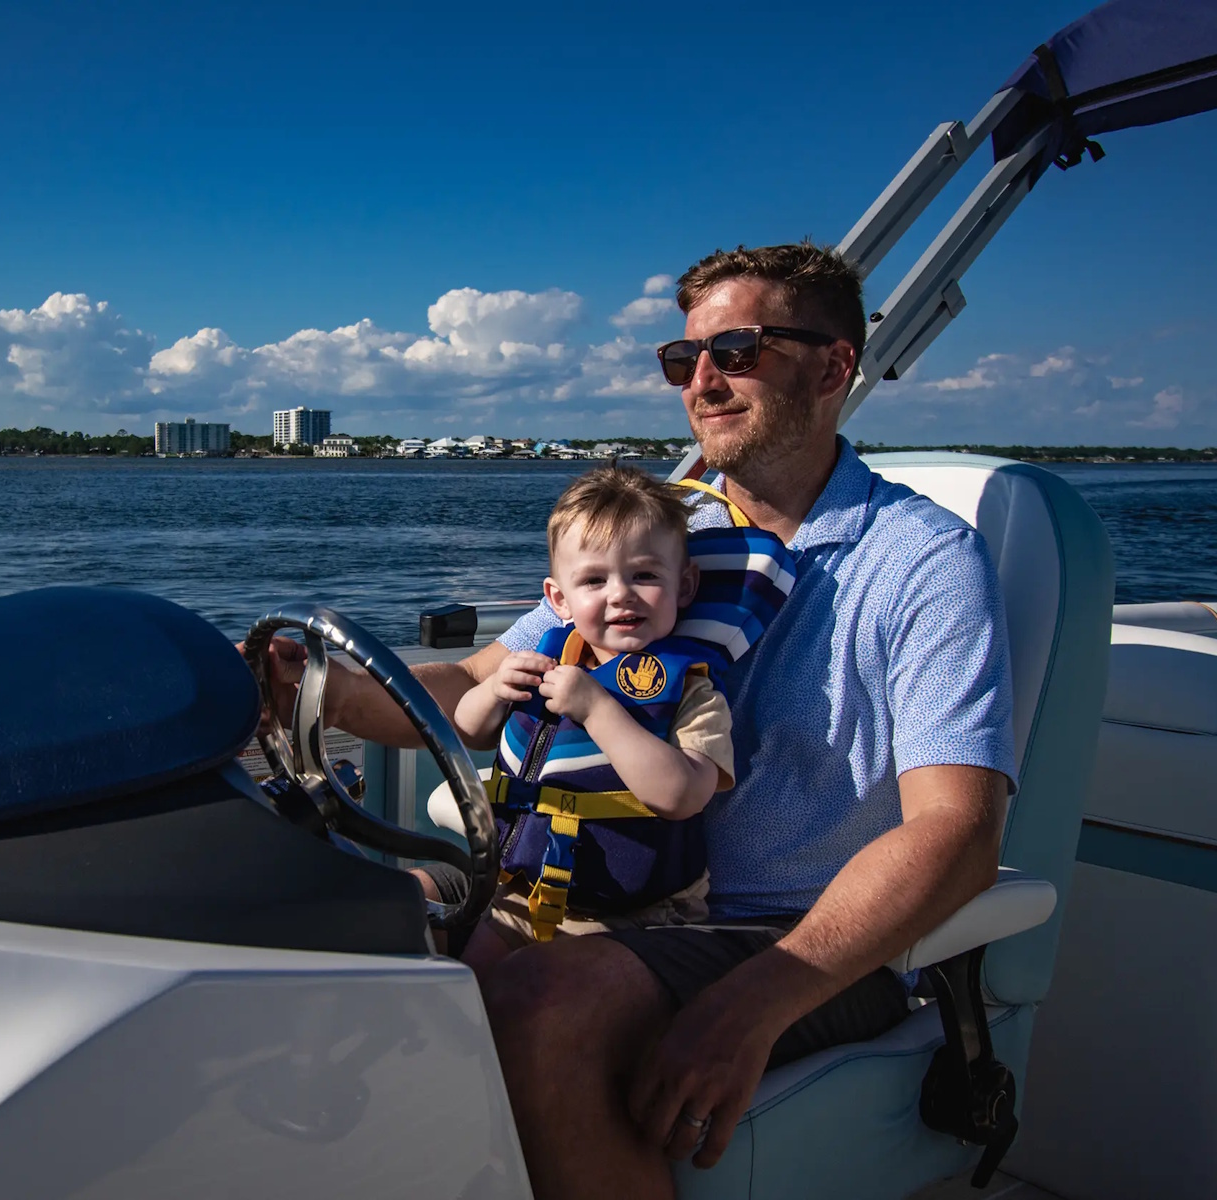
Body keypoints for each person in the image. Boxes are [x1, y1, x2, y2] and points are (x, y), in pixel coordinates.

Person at [258, 241, 1014, 1200]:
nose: (701, 381)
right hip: (585, 893)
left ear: (833, 368)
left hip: (796, 937)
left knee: (543, 1004)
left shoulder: (922, 563)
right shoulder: (658, 539)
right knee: (358, 921)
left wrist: (757, 999)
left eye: (737, 352)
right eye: (683, 358)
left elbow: (958, 832)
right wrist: (311, 688)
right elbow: (479, 682)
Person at [449, 465, 735, 969]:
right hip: (522, 892)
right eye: (594, 580)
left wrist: (599, 710)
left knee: (530, 991)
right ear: (559, 599)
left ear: (685, 586)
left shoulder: (692, 691)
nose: (620, 593)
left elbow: (683, 794)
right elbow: (470, 730)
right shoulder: (546, 663)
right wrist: (493, 690)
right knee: (467, 978)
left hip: (636, 916)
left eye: (645, 575)